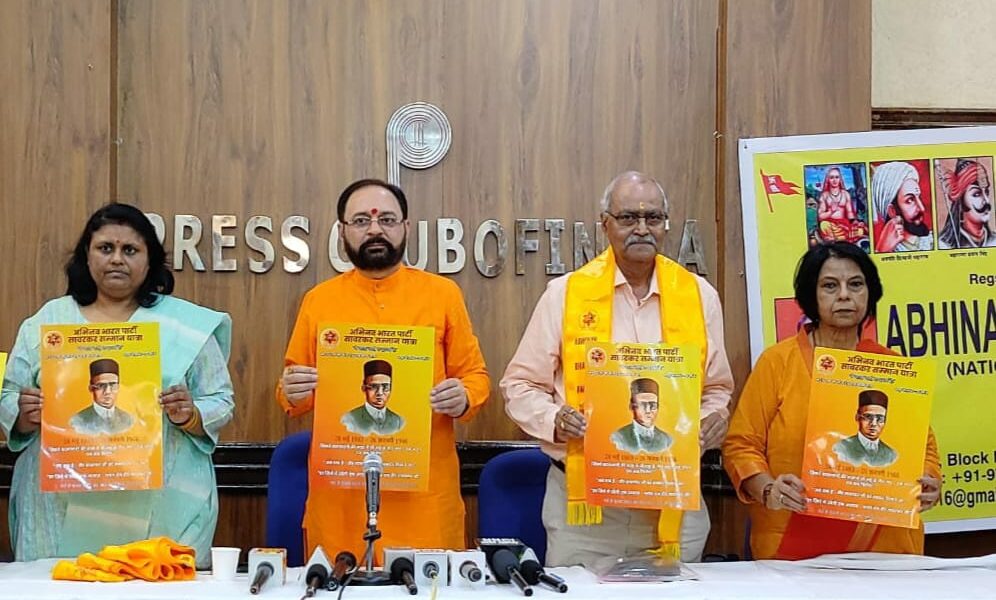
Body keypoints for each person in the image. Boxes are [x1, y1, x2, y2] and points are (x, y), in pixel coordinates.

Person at [501, 171, 734, 567]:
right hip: (588, 511)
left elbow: (716, 388)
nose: (642, 228)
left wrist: (714, 419)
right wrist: (555, 420)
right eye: (628, 218)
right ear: (605, 224)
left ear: (665, 224)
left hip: (673, 499)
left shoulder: (699, 296)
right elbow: (519, 385)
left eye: (653, 218)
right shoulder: (566, 294)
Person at [0, 203, 234, 567]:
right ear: (87, 255)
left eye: (130, 250)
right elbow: (9, 393)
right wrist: (23, 415)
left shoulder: (185, 325)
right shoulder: (48, 321)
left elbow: (220, 399)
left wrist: (190, 414)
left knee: (156, 586)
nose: (117, 259)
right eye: (105, 248)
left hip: (162, 509)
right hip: (58, 510)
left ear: (150, 260)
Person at [277, 179, 490, 563]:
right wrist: (292, 390)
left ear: (406, 227)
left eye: (387, 220)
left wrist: (463, 397)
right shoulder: (319, 300)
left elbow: (475, 378)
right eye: (361, 220)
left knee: (427, 587)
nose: (375, 229)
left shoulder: (442, 295)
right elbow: (293, 388)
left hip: (422, 499)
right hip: (342, 500)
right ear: (342, 231)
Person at [722, 241, 941, 560]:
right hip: (795, 545)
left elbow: (923, 447)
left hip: (884, 546)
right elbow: (741, 445)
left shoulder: (891, 367)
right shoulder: (778, 362)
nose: (844, 295)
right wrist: (768, 489)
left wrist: (930, 480)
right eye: (829, 286)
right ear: (811, 295)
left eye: (856, 284)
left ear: (870, 293)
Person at [871, 161, 933, 252]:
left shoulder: (934, 242)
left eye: (918, 197)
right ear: (892, 211)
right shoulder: (885, 251)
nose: (921, 208)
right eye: (910, 200)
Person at [937, 158, 996, 249]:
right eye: (977, 194)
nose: (987, 201)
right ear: (961, 202)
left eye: (987, 192)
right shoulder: (943, 245)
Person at [69, 358, 135, 436]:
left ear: (118, 387)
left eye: (113, 385)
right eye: (101, 385)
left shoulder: (128, 419)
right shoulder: (78, 420)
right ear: (91, 388)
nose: (107, 391)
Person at [832, 390, 898, 468]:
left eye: (880, 418)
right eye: (868, 417)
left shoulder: (891, 454)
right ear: (857, 417)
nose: (873, 423)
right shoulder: (842, 448)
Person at [340, 359, 405, 436]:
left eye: (386, 387)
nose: (380, 393)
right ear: (364, 388)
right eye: (374, 386)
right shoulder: (350, 419)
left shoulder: (398, 421)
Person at [610, 378, 672, 454]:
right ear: (632, 407)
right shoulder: (619, 437)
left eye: (653, 405)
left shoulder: (667, 439)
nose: (648, 410)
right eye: (642, 405)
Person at [816, 167, 865, 243]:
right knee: (824, 225)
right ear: (828, 179)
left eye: (837, 177)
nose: (834, 180)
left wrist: (855, 222)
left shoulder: (845, 194)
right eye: (832, 177)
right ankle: (843, 237)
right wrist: (831, 211)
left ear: (840, 179)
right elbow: (820, 216)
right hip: (831, 224)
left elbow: (850, 213)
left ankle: (839, 238)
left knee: (860, 230)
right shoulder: (824, 195)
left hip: (845, 225)